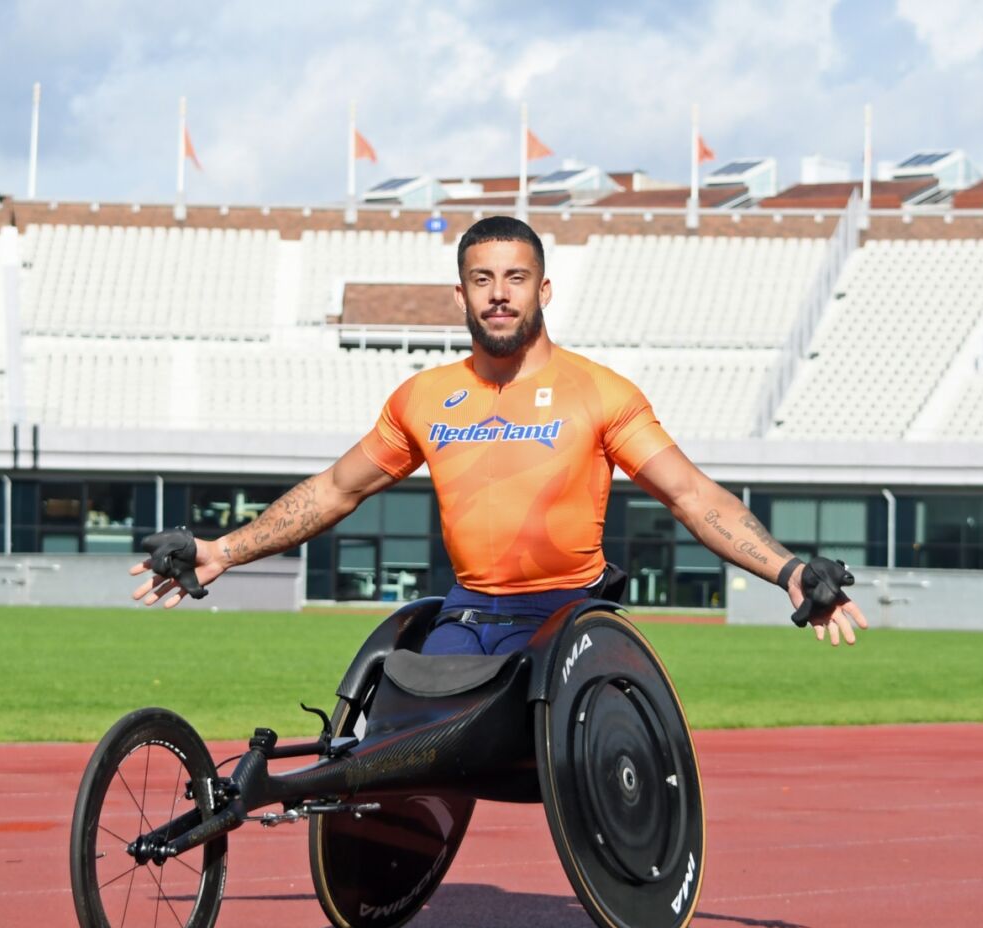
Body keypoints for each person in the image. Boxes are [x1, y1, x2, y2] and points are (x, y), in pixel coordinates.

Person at [132, 216, 865, 649]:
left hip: (568, 614)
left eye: (516, 278)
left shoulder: (602, 393)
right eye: (482, 279)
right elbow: (334, 490)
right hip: (469, 613)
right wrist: (222, 549)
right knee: (388, 731)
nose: (499, 294)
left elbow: (691, 496)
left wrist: (788, 570)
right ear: (461, 294)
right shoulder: (425, 397)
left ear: (543, 290)